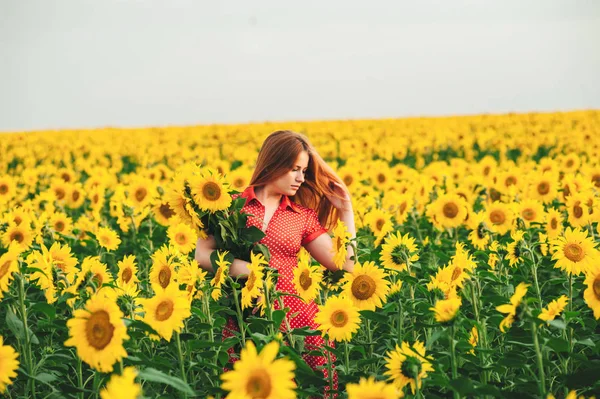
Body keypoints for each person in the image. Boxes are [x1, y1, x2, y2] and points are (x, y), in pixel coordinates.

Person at [195, 130, 356, 397]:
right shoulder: (230, 207)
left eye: (304, 171)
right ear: (273, 163)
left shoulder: (302, 216)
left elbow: (346, 264)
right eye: (295, 169)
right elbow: (202, 255)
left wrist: (346, 209)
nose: (301, 178)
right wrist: (248, 270)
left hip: (299, 325)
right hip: (245, 322)